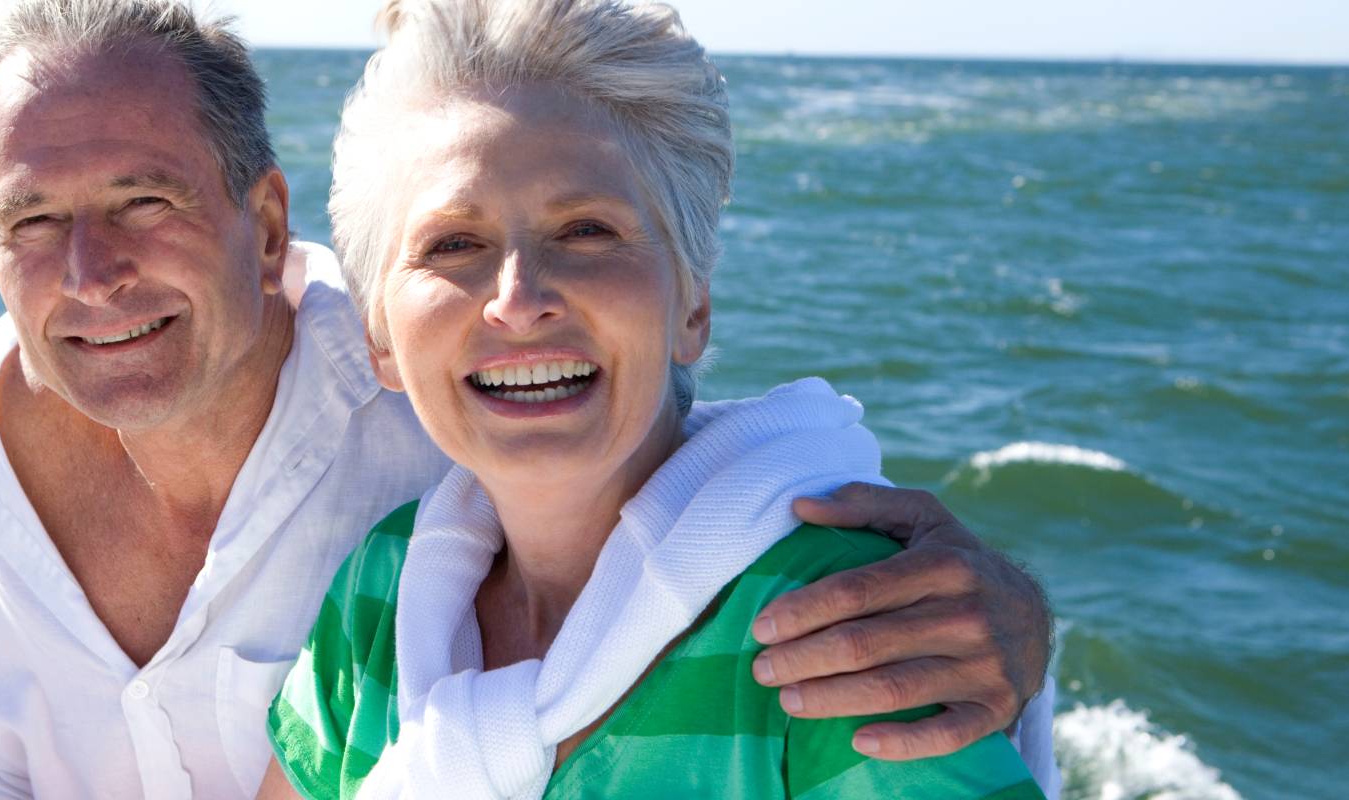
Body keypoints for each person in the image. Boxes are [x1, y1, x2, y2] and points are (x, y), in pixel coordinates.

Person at [0, 1, 1056, 798]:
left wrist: (1015, 623)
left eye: (145, 200)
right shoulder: (379, 603)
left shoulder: (821, 638)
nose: (517, 298)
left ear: (267, 226)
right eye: (30, 221)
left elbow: (647, 457)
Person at [255, 2, 1054, 797]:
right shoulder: (380, 592)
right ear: (382, 342)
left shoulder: (838, 622)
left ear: (692, 308)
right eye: (452, 244)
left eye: (587, 231)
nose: (520, 297)